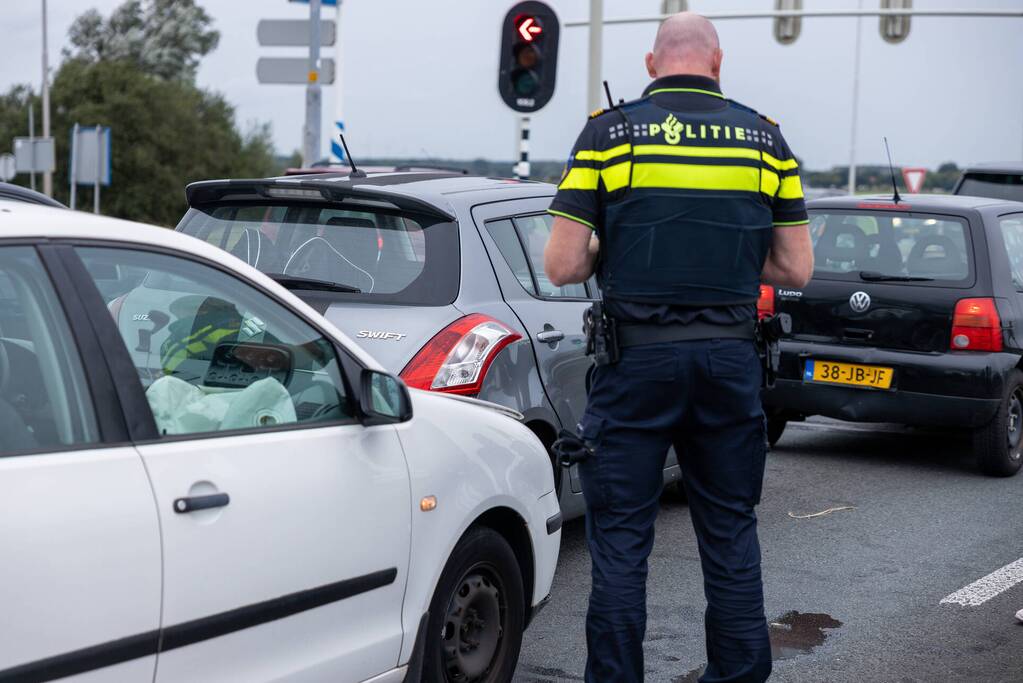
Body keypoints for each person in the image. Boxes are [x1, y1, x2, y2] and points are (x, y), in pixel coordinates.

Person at [544, 12, 814, 683]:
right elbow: (795, 270)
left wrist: (621, 247)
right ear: (716, 64)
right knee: (728, 535)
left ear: (649, 63)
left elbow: (561, 264)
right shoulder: (765, 140)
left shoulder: (608, 134)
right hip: (727, 362)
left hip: (635, 364)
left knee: (620, 546)